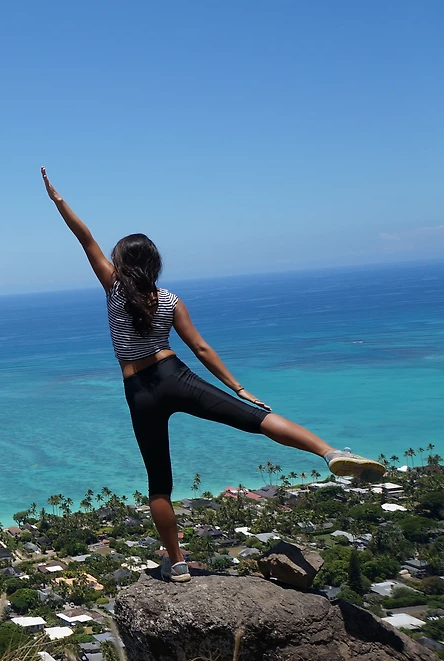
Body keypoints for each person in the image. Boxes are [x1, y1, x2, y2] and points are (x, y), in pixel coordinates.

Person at [41, 167, 384, 582]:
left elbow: (85, 237)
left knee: (159, 484)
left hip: (139, 390)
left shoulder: (112, 287)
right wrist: (239, 387)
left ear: (120, 261)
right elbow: (201, 348)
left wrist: (58, 201)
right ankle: (330, 452)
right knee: (254, 419)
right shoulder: (169, 299)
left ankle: (178, 562)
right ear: (153, 263)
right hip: (174, 374)